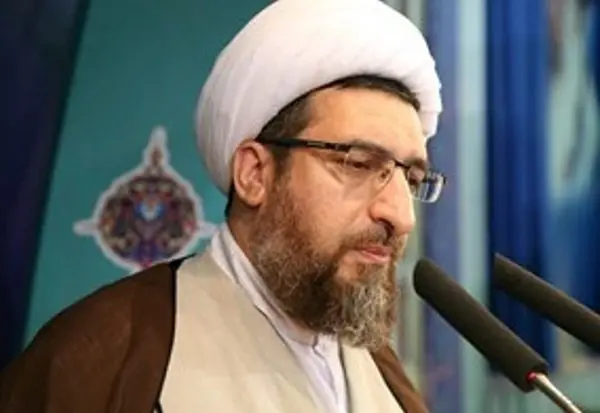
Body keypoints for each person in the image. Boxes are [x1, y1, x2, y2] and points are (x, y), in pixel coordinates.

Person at [0, 0, 444, 412]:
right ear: (254, 173)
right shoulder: (105, 360)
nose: (401, 215)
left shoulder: (384, 375)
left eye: (410, 179)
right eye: (359, 163)